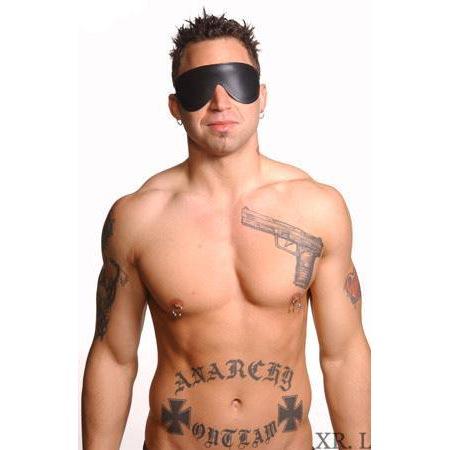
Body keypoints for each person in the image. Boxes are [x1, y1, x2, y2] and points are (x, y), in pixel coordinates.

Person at [81, 8, 370, 450]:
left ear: (262, 97)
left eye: (237, 82)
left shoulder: (317, 209)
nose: (220, 101)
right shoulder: (137, 218)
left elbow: (344, 354)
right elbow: (114, 359)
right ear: (175, 106)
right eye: (199, 87)